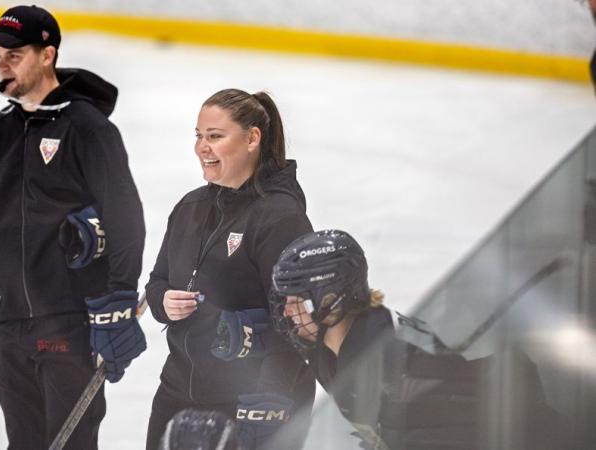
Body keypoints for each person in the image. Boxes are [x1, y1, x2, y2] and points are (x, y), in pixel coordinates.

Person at [0, 5, 146, 449]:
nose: (3, 66)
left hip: (70, 324)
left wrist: (118, 303)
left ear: (48, 55)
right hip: (13, 328)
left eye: (15, 55)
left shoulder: (89, 129)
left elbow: (126, 220)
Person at [270, 229, 564, 450]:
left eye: (296, 300)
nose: (287, 311)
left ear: (330, 299)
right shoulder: (330, 352)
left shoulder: (399, 371)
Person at [145, 89, 315, 450]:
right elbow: (158, 281)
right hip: (180, 389)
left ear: (252, 138)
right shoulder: (189, 207)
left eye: (215, 136)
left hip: (252, 400)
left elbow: (299, 322)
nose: (202, 147)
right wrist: (163, 301)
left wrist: (271, 400)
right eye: (199, 136)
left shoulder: (281, 219)